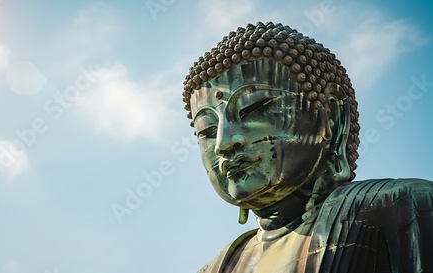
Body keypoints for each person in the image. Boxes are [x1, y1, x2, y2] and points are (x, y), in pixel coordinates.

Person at [182, 22, 433, 273]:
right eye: (207, 131)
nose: (224, 144)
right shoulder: (216, 268)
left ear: (331, 116)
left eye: (252, 108)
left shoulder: (400, 207)